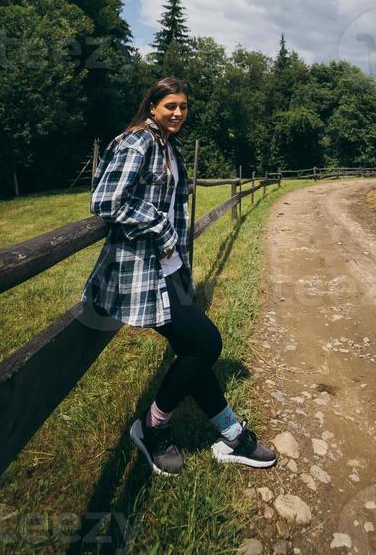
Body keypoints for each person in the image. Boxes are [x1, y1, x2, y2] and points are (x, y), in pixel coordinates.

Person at [81, 76, 277, 476]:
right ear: (152, 106)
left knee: (197, 348)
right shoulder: (138, 142)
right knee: (206, 343)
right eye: (170, 105)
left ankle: (233, 435)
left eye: (183, 107)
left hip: (168, 270)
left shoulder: (168, 147)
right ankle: (153, 427)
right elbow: (105, 200)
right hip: (144, 271)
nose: (178, 113)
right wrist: (161, 228)